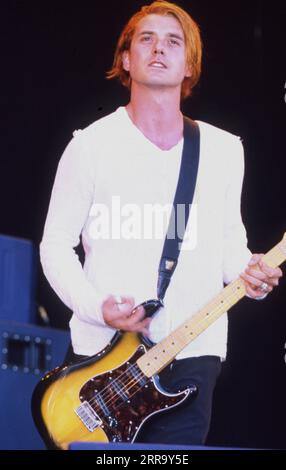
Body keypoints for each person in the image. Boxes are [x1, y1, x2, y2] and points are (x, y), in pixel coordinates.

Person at [39, 1, 282, 445]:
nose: (159, 48)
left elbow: (230, 246)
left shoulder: (225, 150)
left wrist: (253, 273)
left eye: (174, 41)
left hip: (193, 352)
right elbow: (54, 246)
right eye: (146, 38)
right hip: (106, 359)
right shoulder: (89, 147)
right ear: (126, 59)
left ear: (190, 65)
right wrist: (97, 307)